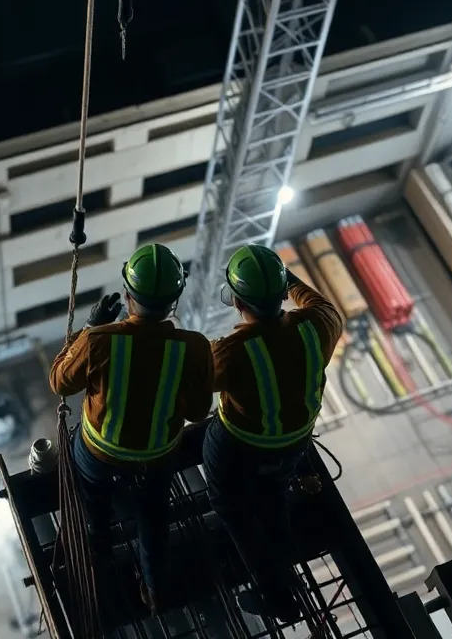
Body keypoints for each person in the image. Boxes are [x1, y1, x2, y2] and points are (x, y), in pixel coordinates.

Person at [50, 243, 214, 612]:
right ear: (174, 300)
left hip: (99, 454)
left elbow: (60, 383)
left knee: (93, 498)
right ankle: (154, 590)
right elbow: (199, 410)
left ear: (127, 295)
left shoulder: (99, 340)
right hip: (156, 460)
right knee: (153, 520)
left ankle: (100, 545)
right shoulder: (194, 348)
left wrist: (90, 327)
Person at [205, 243, 344, 621]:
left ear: (236, 302)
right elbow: (315, 300)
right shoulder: (321, 324)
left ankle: (277, 597)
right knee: (273, 498)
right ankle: (284, 579)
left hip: (239, 446)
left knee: (231, 506)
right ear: (285, 291)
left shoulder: (231, 352)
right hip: (295, 440)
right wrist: (279, 274)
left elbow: (190, 385)